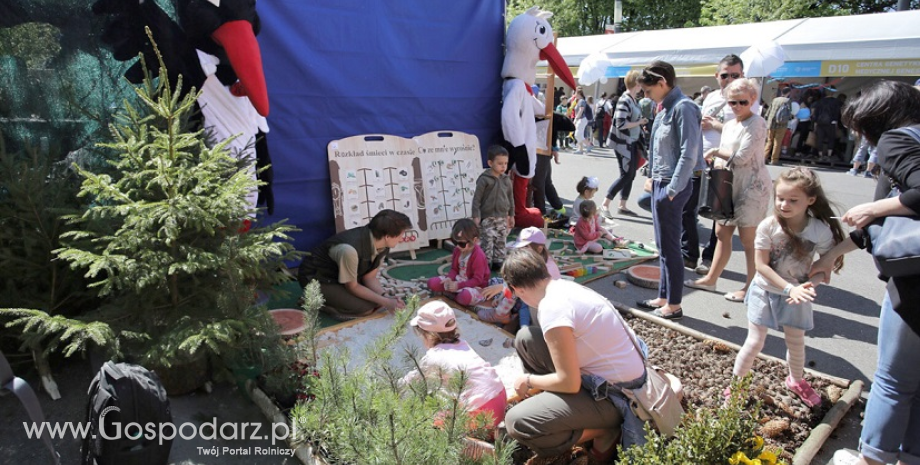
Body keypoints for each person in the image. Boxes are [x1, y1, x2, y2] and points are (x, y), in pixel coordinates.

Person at [812, 80, 920, 465]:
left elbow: (886, 215)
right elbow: (887, 226)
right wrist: (831, 257)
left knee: (893, 380)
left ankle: (871, 459)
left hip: (913, 285)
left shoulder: (898, 140)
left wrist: (876, 208)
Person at [501, 247, 648, 463]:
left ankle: (604, 432)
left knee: (517, 422)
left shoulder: (552, 308)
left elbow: (569, 382)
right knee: (526, 338)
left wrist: (529, 380)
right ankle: (568, 411)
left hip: (622, 398)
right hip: (617, 381)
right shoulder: (563, 288)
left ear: (517, 290)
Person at [729, 167, 845, 408]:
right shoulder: (768, 226)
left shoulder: (819, 230)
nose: (784, 205)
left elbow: (824, 268)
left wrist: (807, 287)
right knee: (754, 341)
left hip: (797, 296)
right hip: (765, 290)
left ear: (810, 200)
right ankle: (736, 386)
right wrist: (789, 289)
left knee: (796, 342)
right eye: (780, 198)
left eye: (793, 200)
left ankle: (796, 380)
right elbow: (761, 266)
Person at [686, 78, 772, 304]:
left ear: (753, 99)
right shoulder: (731, 124)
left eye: (742, 102)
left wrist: (715, 152)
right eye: (732, 102)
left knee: (748, 239)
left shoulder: (757, 123)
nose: (736, 107)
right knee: (721, 234)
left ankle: (751, 286)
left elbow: (742, 157)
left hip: (751, 187)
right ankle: (711, 278)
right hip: (727, 185)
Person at [634, 60, 702, 320]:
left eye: (649, 90)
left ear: (662, 82)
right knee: (663, 245)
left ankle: (674, 304)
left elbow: (689, 152)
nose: (646, 95)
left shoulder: (683, 108)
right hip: (662, 181)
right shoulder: (664, 109)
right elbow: (657, 148)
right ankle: (664, 297)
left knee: (671, 246)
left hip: (673, 184)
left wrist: (673, 188)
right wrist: (651, 176)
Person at [689, 54, 757, 275]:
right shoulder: (711, 98)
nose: (729, 79)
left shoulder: (749, 100)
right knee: (689, 208)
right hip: (702, 160)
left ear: (742, 75)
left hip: (728, 165)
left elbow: (747, 134)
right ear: (717, 76)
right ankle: (689, 253)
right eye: (725, 75)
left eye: (735, 75)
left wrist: (718, 126)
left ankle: (709, 260)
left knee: (720, 220)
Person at [401, 301, 507, 433]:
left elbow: (412, 380)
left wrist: (395, 387)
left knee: (429, 417)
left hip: (480, 413)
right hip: (500, 398)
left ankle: (477, 445)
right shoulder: (463, 344)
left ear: (428, 335)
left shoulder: (434, 356)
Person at [297, 209, 411, 320]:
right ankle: (313, 301)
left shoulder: (383, 244)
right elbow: (353, 287)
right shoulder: (348, 250)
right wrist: (386, 302)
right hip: (317, 278)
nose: (402, 239)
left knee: (376, 302)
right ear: (387, 236)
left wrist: (385, 296)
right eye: (401, 235)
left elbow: (369, 277)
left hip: (340, 276)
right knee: (365, 309)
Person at [601, 69, 648, 219]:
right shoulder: (625, 99)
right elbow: (621, 124)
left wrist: (639, 125)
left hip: (630, 142)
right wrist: (639, 122)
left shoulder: (632, 99)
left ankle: (622, 204)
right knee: (627, 174)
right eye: (641, 82)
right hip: (623, 142)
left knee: (630, 174)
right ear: (637, 83)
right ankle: (605, 204)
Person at [427, 219, 491, 306]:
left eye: (462, 244)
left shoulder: (478, 255)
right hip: (458, 281)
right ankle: (454, 295)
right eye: (454, 242)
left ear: (474, 240)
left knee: (465, 296)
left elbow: (477, 280)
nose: (457, 246)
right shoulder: (457, 250)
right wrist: (449, 278)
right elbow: (454, 269)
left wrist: (458, 286)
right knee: (432, 282)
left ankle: (454, 296)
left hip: (474, 286)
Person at [472, 145, 514, 269]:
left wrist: (511, 215)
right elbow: (477, 199)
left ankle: (498, 262)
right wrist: (476, 215)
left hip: (502, 217)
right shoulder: (484, 180)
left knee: (501, 240)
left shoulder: (506, 180)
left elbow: (511, 198)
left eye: (505, 163)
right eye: (500, 163)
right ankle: (485, 264)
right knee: (487, 242)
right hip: (487, 217)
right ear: (490, 163)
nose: (503, 166)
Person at [533, 112, 574, 219]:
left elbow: (568, 126)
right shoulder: (540, 113)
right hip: (541, 150)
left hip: (542, 150)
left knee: (541, 182)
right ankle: (556, 208)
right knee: (544, 182)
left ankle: (542, 212)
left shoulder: (547, 114)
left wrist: (554, 148)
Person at [765, 87, 794, 165]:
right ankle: (774, 160)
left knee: (769, 141)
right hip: (781, 124)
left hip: (771, 123)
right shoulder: (788, 101)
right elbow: (789, 113)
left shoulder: (775, 99)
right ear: (788, 93)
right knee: (777, 142)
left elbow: (768, 111)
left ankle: (764, 157)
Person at [811, 90, 843, 161]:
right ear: (833, 93)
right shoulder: (836, 102)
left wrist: (815, 124)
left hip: (820, 122)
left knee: (820, 139)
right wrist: (836, 123)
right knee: (831, 139)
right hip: (831, 123)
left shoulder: (820, 101)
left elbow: (816, 113)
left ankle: (820, 155)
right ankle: (829, 155)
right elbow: (837, 113)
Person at [573, 88, 591, 154]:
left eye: (575, 93)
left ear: (578, 94)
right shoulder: (579, 101)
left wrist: (576, 118)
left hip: (582, 119)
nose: (574, 94)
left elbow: (581, 110)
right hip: (581, 119)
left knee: (578, 134)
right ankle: (580, 149)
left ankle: (588, 145)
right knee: (579, 134)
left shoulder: (581, 101)